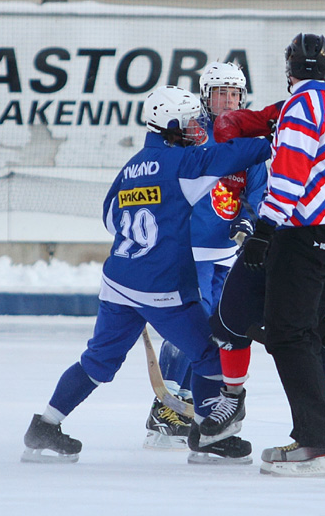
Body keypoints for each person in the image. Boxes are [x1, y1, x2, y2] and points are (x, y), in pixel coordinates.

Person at [22, 85, 271, 465]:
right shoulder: (182, 164)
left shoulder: (131, 166)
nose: (194, 128)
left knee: (99, 361)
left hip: (119, 282)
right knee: (208, 354)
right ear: (171, 125)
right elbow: (237, 153)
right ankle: (208, 437)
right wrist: (285, 131)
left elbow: (110, 218)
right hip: (160, 288)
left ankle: (45, 425)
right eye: (188, 122)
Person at [239, 33, 325, 476]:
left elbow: (288, 173)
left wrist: (263, 231)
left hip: (301, 235)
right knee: (301, 334)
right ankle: (322, 436)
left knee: (288, 336)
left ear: (290, 70)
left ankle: (319, 443)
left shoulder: (301, 107)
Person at [143, 63, 268, 450]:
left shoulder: (247, 139)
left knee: (216, 330)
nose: (228, 100)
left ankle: (192, 403)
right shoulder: (191, 137)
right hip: (190, 250)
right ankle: (165, 407)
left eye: (235, 94)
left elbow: (260, 192)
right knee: (190, 326)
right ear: (205, 96)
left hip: (226, 254)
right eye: (220, 93)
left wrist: (251, 222)